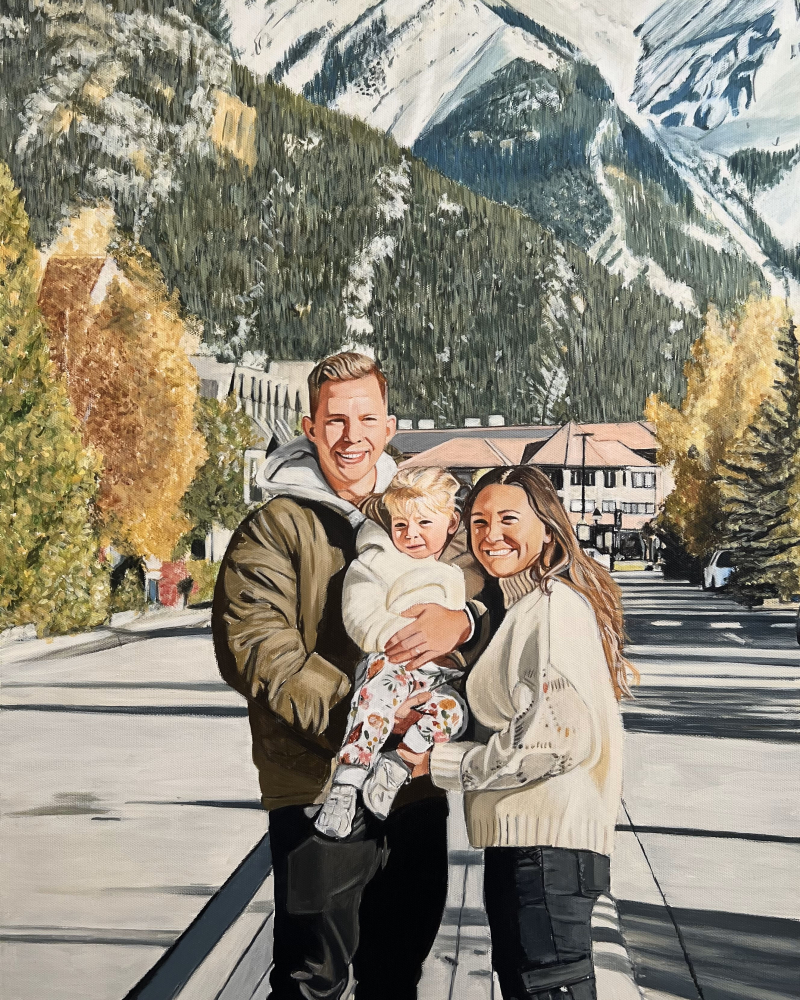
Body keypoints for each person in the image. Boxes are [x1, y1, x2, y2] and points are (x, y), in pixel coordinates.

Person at [211, 352, 481, 1000]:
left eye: (365, 418)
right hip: (315, 790)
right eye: (335, 420)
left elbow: (490, 597)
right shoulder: (274, 527)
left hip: (413, 792)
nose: (350, 435)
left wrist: (464, 621)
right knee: (313, 981)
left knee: (396, 974)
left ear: (390, 427)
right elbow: (256, 648)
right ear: (309, 427)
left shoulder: (424, 512)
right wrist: (375, 718)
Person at [398, 466, 637, 1000]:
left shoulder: (552, 608)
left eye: (509, 519)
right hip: (533, 850)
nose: (491, 534)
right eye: (479, 522)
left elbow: (553, 736)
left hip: (543, 855)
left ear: (549, 530)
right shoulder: (533, 606)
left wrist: (444, 763)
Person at [315, 466, 469, 839]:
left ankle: (396, 765)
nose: (411, 535)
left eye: (423, 524)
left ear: (451, 523)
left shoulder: (455, 572)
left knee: (454, 714)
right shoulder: (376, 560)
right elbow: (359, 612)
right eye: (401, 525)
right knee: (375, 706)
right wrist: (402, 637)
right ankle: (347, 784)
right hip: (393, 660)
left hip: (434, 675)